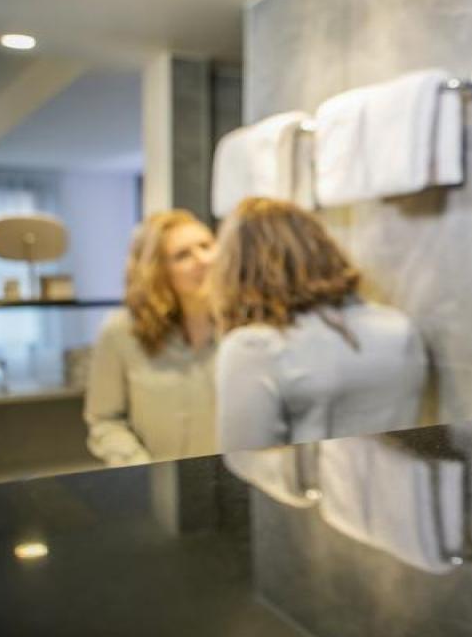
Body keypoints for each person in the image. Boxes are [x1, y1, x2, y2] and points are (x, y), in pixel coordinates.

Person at [211, 198, 425, 452]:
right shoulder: (399, 329)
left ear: (238, 268)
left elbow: (245, 462)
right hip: (398, 477)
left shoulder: (253, 348)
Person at [83, 209, 218, 465]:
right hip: (157, 482)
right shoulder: (120, 331)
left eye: (206, 246)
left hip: (232, 483)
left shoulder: (243, 329)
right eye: (183, 255)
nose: (203, 260)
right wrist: (143, 471)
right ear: (157, 271)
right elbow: (106, 421)